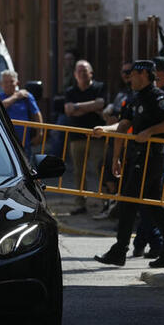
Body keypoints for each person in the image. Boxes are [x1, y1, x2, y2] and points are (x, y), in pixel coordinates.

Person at [92, 60, 164, 269]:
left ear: (143, 74)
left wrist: (150, 132)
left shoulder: (158, 97)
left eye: (132, 74)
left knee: (128, 202)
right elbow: (123, 126)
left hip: (152, 158)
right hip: (137, 157)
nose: (129, 78)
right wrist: (107, 134)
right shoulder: (134, 99)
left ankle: (120, 250)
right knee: (154, 206)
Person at [58, 59, 106, 214]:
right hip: (76, 137)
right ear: (75, 75)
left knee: (100, 169)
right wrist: (90, 107)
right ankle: (80, 203)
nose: (82, 74)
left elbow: (100, 104)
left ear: (91, 73)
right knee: (79, 171)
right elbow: (68, 110)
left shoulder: (99, 87)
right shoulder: (70, 91)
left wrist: (78, 107)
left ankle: (104, 202)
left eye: (85, 71)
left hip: (96, 136)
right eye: (79, 71)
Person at [94, 62, 135, 220]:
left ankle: (118, 209)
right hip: (115, 139)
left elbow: (124, 120)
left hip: (129, 143)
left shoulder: (136, 94)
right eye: (123, 71)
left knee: (121, 178)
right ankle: (110, 205)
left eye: (129, 71)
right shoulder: (122, 92)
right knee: (105, 170)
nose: (126, 74)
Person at [0, 69, 42, 157]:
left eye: (11, 81)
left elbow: (36, 114)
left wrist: (40, 133)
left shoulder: (26, 96)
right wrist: (16, 96)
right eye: (5, 82)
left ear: (17, 83)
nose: (8, 84)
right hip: (4, 142)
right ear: (1, 84)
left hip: (23, 142)